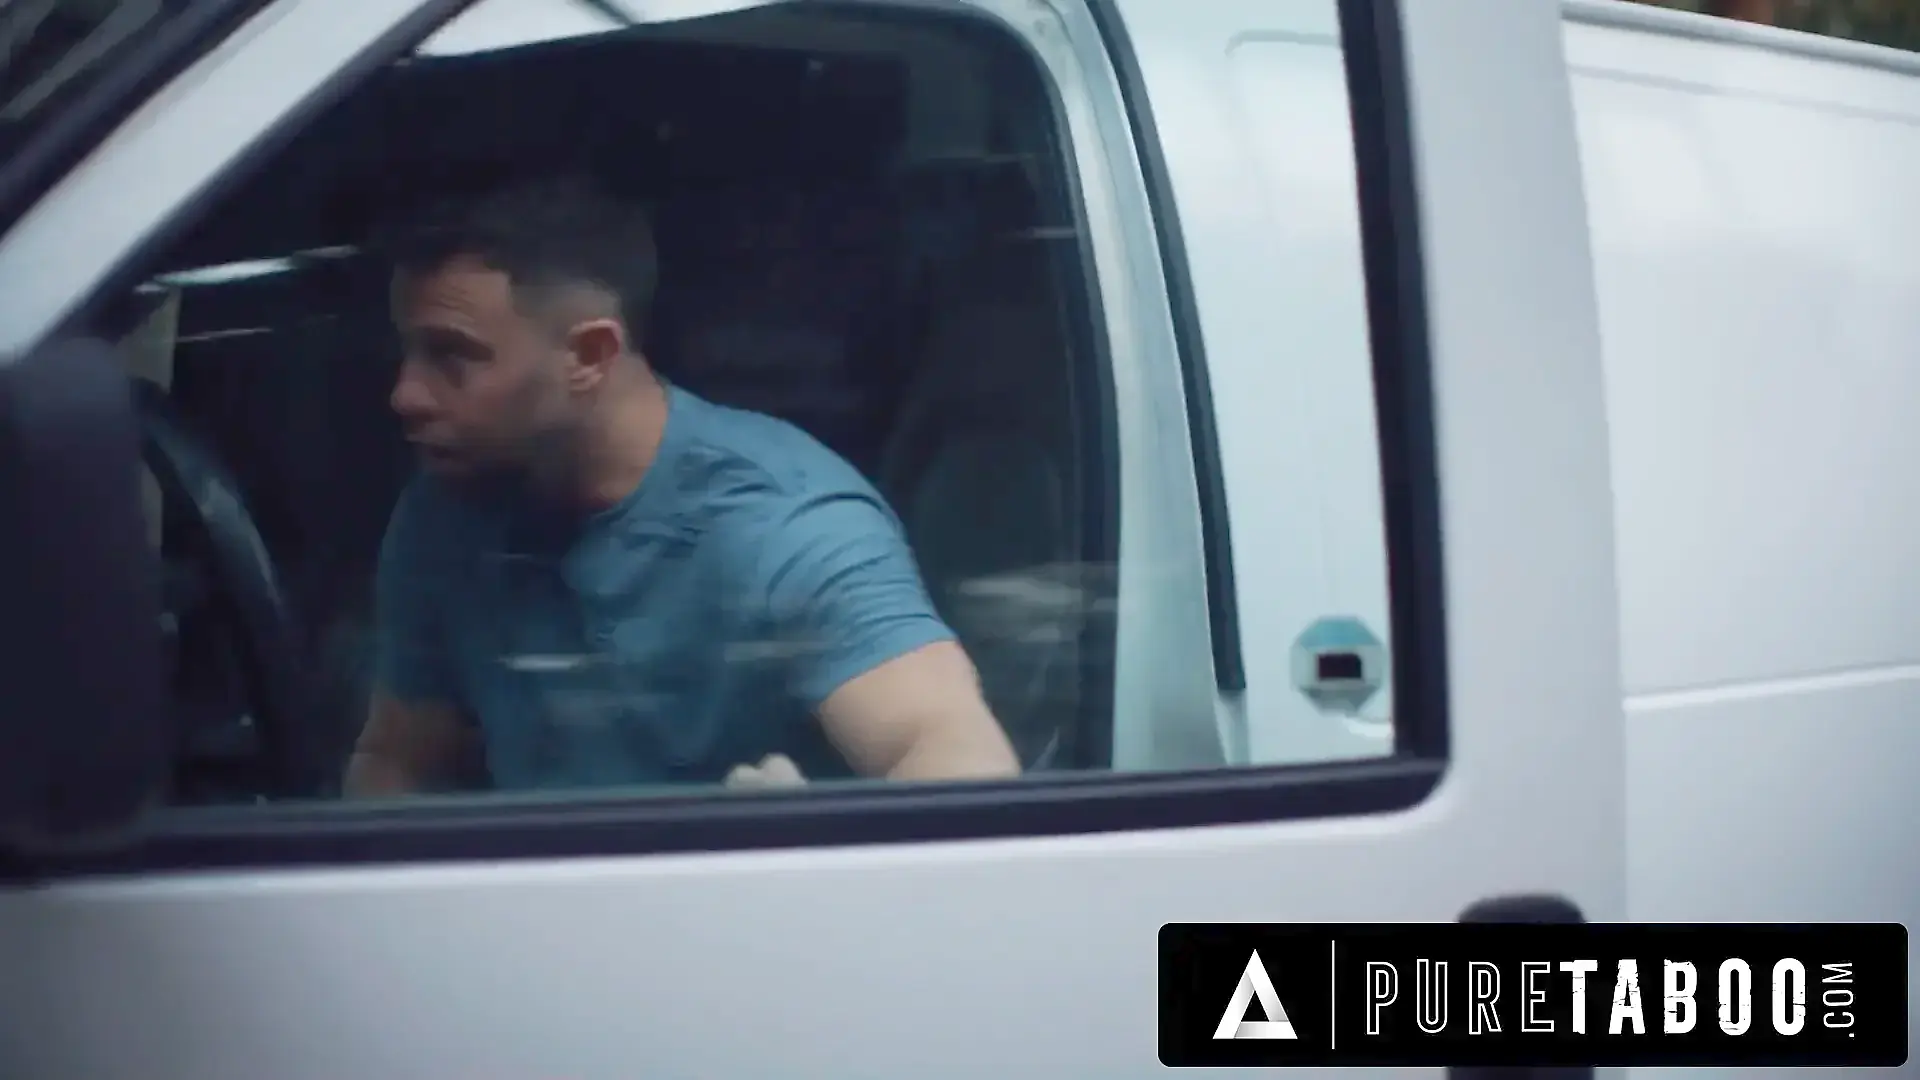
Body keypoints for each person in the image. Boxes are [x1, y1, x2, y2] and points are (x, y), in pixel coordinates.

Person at [342, 178, 1020, 796]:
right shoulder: (447, 513)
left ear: (589, 356)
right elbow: (398, 758)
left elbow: (954, 755)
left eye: (452, 355)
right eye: (408, 351)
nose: (405, 395)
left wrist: (808, 853)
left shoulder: (780, 522)